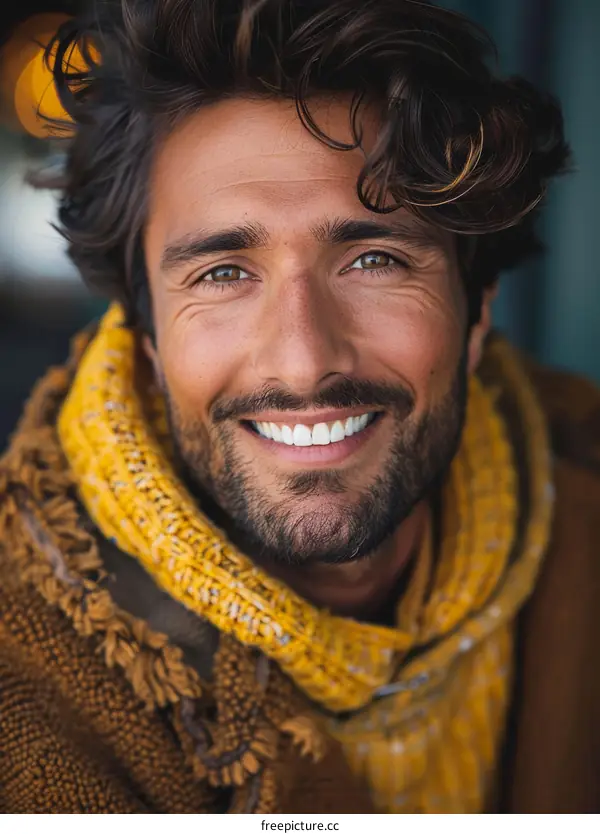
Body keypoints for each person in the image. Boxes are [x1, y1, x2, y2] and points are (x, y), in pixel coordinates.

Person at [0, 0, 598, 815]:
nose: (304, 359)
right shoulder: (21, 671)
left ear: (476, 309)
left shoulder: (583, 503)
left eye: (374, 259)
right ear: (144, 338)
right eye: (222, 274)